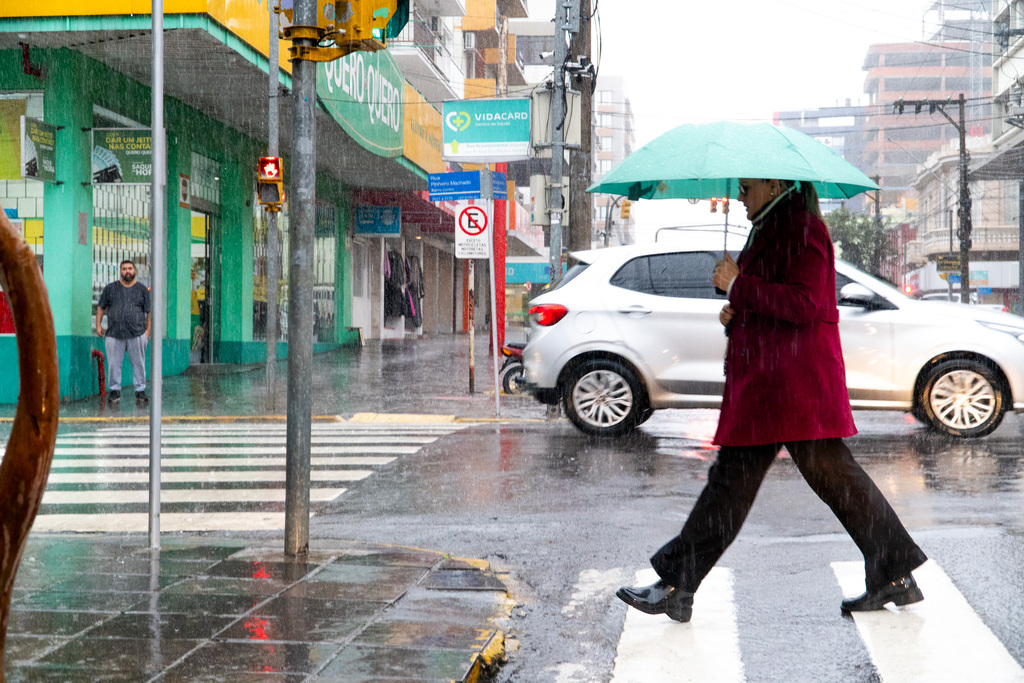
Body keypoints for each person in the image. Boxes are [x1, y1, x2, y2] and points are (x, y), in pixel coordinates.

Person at [616, 178, 927, 623]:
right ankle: (893, 573)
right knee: (819, 482)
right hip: (775, 384)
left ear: (774, 184)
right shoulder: (772, 226)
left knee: (744, 485)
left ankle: (676, 584)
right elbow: (773, 300)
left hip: (789, 385)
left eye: (747, 188)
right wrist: (736, 308)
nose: (740, 197)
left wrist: (739, 285)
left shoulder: (802, 229)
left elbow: (804, 304)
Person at [96, 260, 151, 404]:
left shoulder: (142, 289)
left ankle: (140, 390)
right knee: (113, 365)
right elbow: (100, 307)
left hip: (137, 333)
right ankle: (114, 391)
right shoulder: (111, 288)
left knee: (139, 364)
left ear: (134, 271)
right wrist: (98, 325)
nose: (127, 271)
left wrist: (148, 332)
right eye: (124, 269)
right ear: (120, 271)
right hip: (114, 334)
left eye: (130, 268)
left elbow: (149, 311)